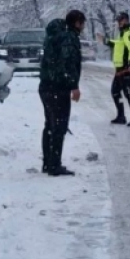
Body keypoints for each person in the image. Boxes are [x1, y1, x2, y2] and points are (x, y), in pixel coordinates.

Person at [38, 10, 85, 177]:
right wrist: (74, 86)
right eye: (82, 24)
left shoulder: (53, 35)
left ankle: (47, 162)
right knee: (59, 126)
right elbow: (68, 63)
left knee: (50, 125)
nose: (83, 27)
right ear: (77, 23)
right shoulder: (69, 38)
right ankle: (54, 165)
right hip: (59, 87)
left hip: (45, 86)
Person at [98, 11, 130, 126]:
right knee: (115, 91)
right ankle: (121, 116)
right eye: (118, 20)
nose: (119, 22)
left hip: (125, 67)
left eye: (121, 20)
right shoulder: (122, 33)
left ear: (126, 20)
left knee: (128, 92)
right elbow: (118, 45)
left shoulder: (129, 33)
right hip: (119, 68)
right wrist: (105, 41)